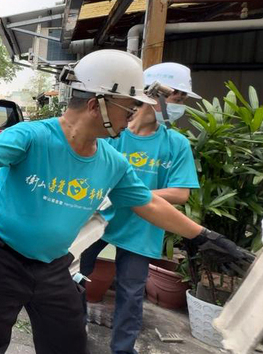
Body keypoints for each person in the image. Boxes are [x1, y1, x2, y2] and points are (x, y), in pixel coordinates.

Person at [0, 49, 249, 354]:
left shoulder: (112, 162)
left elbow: (150, 204)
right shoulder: (35, 136)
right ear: (97, 105)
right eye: (128, 108)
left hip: (51, 267)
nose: (131, 118)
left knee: (68, 343)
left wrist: (204, 238)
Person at [78, 62, 201, 354]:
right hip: (97, 217)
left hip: (142, 227)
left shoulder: (176, 144)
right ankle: (73, 331)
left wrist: (132, 194)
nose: (181, 106)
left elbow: (180, 193)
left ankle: (123, 350)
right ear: (153, 94)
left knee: (131, 294)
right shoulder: (113, 134)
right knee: (74, 275)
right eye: (178, 97)